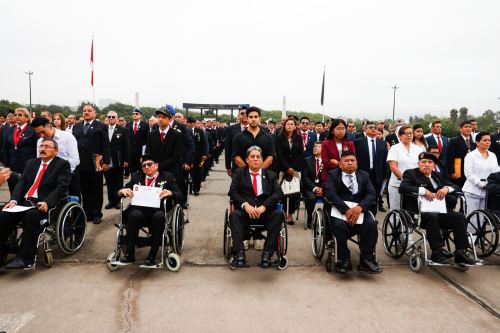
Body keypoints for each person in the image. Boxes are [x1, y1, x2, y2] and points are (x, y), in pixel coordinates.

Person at [0, 138, 71, 269]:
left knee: (31, 216)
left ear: (56, 151)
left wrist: (48, 202)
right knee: (4, 215)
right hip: (25, 202)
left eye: (47, 146)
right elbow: (21, 183)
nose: (43, 149)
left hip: (44, 204)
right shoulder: (31, 163)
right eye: (41, 146)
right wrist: (13, 200)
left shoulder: (62, 164)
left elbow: (61, 187)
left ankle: (25, 258)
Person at [399, 152, 477, 266]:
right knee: (432, 216)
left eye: (430, 162)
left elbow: (456, 186)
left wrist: (446, 189)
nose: (427, 164)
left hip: (439, 211)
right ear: (418, 164)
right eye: (423, 162)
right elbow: (403, 188)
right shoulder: (411, 174)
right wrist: (423, 191)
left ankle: (460, 252)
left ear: (434, 165)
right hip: (419, 213)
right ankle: (437, 252)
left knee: (459, 217)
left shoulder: (437, 175)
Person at [117, 155, 183, 266]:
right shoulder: (136, 177)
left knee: (159, 217)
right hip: (139, 210)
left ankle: (152, 255)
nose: (147, 167)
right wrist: (122, 191)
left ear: (156, 165)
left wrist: (171, 193)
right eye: (144, 165)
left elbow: (180, 196)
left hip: (157, 210)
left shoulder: (167, 177)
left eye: (149, 164)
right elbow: (122, 189)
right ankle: (129, 253)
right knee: (134, 215)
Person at [324, 151, 381, 274]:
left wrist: (359, 208)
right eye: (346, 161)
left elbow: (371, 194)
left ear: (357, 163)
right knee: (339, 226)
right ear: (340, 164)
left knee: (371, 225)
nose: (350, 163)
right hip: (339, 210)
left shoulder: (364, 175)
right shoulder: (333, 175)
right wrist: (346, 210)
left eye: (352, 160)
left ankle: (367, 259)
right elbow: (330, 193)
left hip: (360, 210)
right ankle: (343, 259)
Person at [228, 146, 284, 268]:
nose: (255, 159)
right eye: (252, 157)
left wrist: (264, 206)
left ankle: (267, 254)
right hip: (245, 213)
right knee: (234, 215)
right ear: (247, 160)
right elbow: (233, 192)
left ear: (262, 160)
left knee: (278, 215)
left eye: (258, 157)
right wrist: (245, 205)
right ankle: (240, 253)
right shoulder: (239, 173)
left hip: (264, 213)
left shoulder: (271, 175)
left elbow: (278, 193)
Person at [72, 103, 110, 224]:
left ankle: (96, 213)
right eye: (84, 111)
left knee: (96, 189)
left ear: (94, 113)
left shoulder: (101, 126)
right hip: (80, 162)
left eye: (89, 110)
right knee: (84, 189)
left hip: (97, 160)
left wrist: (106, 161)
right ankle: (87, 212)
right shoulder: (76, 127)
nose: (86, 112)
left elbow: (106, 145)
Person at [463, 132, 500, 242]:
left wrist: (491, 184)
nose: (487, 142)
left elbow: (496, 171)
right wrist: (481, 184)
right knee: (472, 216)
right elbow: (469, 174)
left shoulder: (492, 155)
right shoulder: (470, 155)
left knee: (483, 216)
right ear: (477, 142)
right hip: (472, 190)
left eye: (489, 140)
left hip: (488, 190)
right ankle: (470, 239)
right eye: (484, 140)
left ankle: (480, 237)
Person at [386, 125, 424, 210]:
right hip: (397, 185)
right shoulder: (394, 148)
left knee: (412, 210)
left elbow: (421, 166)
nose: (409, 135)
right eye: (406, 133)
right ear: (399, 135)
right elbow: (393, 167)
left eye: (410, 133)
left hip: (414, 185)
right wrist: (406, 179)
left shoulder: (418, 149)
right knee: (396, 210)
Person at [354, 121, 388, 214]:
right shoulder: (358, 142)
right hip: (362, 174)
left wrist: (385, 176)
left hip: (377, 175)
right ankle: (363, 216)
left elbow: (385, 160)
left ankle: (372, 218)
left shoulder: (382, 143)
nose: (373, 129)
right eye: (371, 127)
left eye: (375, 128)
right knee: (362, 197)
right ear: (365, 129)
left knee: (374, 198)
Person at [274, 117, 304, 224]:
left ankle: (290, 213)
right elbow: (279, 154)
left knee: (294, 193)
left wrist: (293, 168)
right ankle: (283, 212)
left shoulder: (298, 138)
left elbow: (301, 153)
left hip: (295, 169)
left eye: (292, 124)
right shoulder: (278, 137)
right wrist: (287, 168)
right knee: (282, 191)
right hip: (282, 168)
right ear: (284, 126)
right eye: (288, 124)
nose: (290, 126)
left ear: (295, 126)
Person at [232, 106, 275, 170]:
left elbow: (270, 157)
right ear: (247, 118)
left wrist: (259, 171)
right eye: (251, 117)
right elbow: (236, 157)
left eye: (256, 117)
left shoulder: (268, 137)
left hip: (263, 175)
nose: (253, 119)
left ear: (260, 118)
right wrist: (248, 172)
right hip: (243, 175)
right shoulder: (238, 137)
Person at [145, 109, 183, 179]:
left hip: (171, 172)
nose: (160, 119)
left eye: (163, 117)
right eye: (158, 117)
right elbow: (148, 152)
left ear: (170, 119)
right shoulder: (151, 134)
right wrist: (152, 165)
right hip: (154, 171)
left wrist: (159, 166)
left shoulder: (176, 135)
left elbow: (176, 155)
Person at [104, 111, 130, 209]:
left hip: (118, 160)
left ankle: (118, 201)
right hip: (106, 161)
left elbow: (126, 147)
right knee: (109, 182)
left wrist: (126, 160)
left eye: (113, 117)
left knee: (118, 182)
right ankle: (111, 201)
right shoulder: (103, 129)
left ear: (116, 118)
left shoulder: (123, 130)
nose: (111, 118)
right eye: (109, 117)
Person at [2, 108, 38, 177]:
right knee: (13, 186)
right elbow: (5, 148)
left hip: (28, 165)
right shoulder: (8, 130)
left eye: (20, 115)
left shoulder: (33, 130)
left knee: (25, 186)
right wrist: (6, 165)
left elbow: (36, 149)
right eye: (15, 115)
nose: (17, 116)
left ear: (27, 118)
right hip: (12, 166)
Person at [321, 118, 355, 182]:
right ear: (332, 131)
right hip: (330, 177)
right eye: (338, 128)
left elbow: (353, 161)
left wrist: (337, 163)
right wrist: (345, 165)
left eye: (343, 129)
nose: (341, 131)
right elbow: (326, 163)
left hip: (346, 176)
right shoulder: (325, 143)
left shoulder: (350, 143)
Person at [447, 120, 476, 188]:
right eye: (466, 127)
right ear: (460, 129)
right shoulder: (454, 141)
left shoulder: (473, 141)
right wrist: (452, 172)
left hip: (471, 171)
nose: (468, 128)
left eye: (470, 127)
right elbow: (449, 158)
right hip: (458, 170)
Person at [302, 141, 324, 228]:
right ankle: (310, 218)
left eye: (318, 147)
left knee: (330, 198)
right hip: (309, 188)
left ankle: (326, 219)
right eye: (314, 146)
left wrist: (322, 188)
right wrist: (314, 188)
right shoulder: (307, 160)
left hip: (323, 188)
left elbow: (329, 177)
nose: (315, 148)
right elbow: (305, 178)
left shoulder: (327, 161)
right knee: (311, 198)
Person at [225, 105, 248, 176]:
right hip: (236, 166)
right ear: (238, 115)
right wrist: (228, 166)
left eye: (246, 113)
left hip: (254, 165)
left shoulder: (258, 129)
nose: (244, 115)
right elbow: (228, 149)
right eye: (242, 113)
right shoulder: (230, 129)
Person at [126, 108, 149, 175]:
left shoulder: (145, 125)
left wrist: (144, 155)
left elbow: (147, 140)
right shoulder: (128, 125)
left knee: (142, 171)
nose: (135, 115)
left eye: (137, 114)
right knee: (133, 172)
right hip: (131, 153)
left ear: (140, 115)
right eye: (133, 114)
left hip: (141, 153)